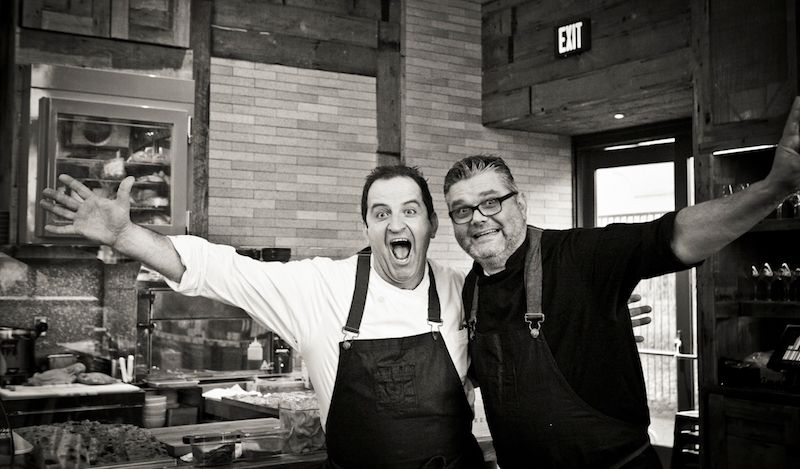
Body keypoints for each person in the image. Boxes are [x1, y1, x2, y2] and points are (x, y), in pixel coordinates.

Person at [39, 164, 650, 467]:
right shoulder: (320, 288)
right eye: (381, 213)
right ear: (367, 227)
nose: (396, 223)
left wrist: (590, 309)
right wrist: (127, 237)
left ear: (431, 225)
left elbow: (525, 318)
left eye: (410, 210)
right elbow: (220, 269)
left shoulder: (462, 289)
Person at [441, 97, 800, 468]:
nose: (478, 218)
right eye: (462, 210)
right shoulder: (472, 291)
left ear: (521, 203)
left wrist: (773, 187)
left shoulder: (580, 256)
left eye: (491, 202)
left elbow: (675, 237)